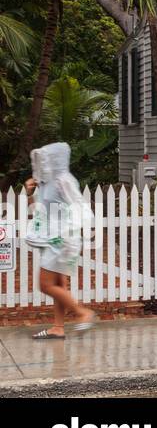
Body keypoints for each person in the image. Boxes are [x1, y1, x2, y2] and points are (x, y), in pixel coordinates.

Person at [25, 142, 96, 339]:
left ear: (54, 160)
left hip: (62, 239)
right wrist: (31, 191)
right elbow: (39, 210)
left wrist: (65, 233)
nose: (42, 163)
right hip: (53, 238)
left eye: (45, 159)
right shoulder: (46, 181)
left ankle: (83, 313)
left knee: (46, 285)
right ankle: (58, 327)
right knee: (59, 285)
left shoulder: (64, 180)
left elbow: (80, 208)